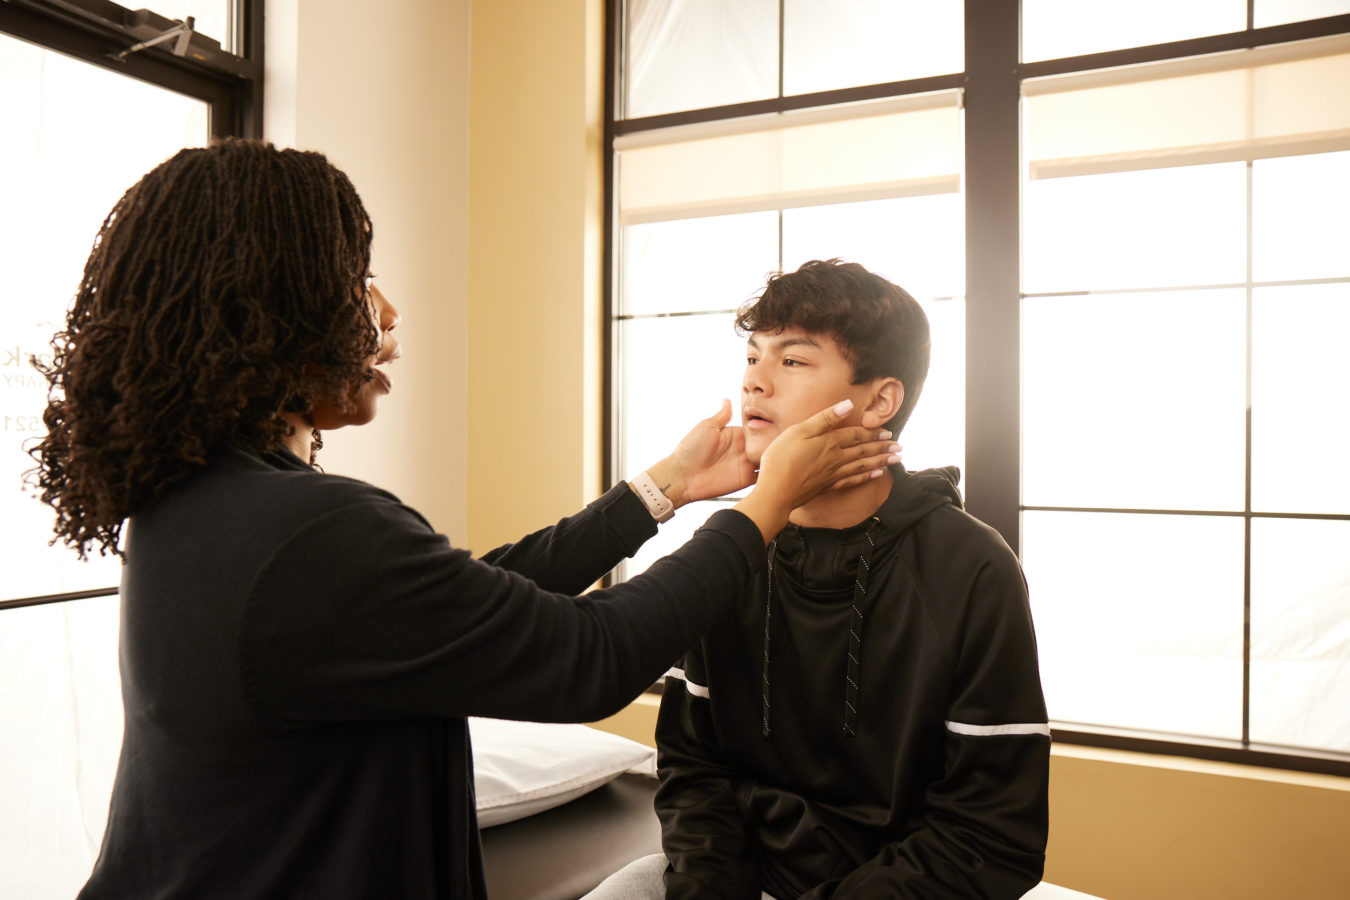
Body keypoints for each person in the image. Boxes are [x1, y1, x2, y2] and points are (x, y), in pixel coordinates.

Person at [27, 141, 901, 899]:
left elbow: (469, 603)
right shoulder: (298, 530)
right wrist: (765, 505)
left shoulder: (206, 502)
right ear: (270, 312)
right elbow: (585, 659)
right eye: (356, 282)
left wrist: (664, 488)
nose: (389, 313)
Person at [602, 259, 1050, 899]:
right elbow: (693, 769)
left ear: (880, 400)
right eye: (753, 357)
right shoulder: (731, 551)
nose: (755, 382)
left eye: (792, 361)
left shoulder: (972, 566)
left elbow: (990, 830)